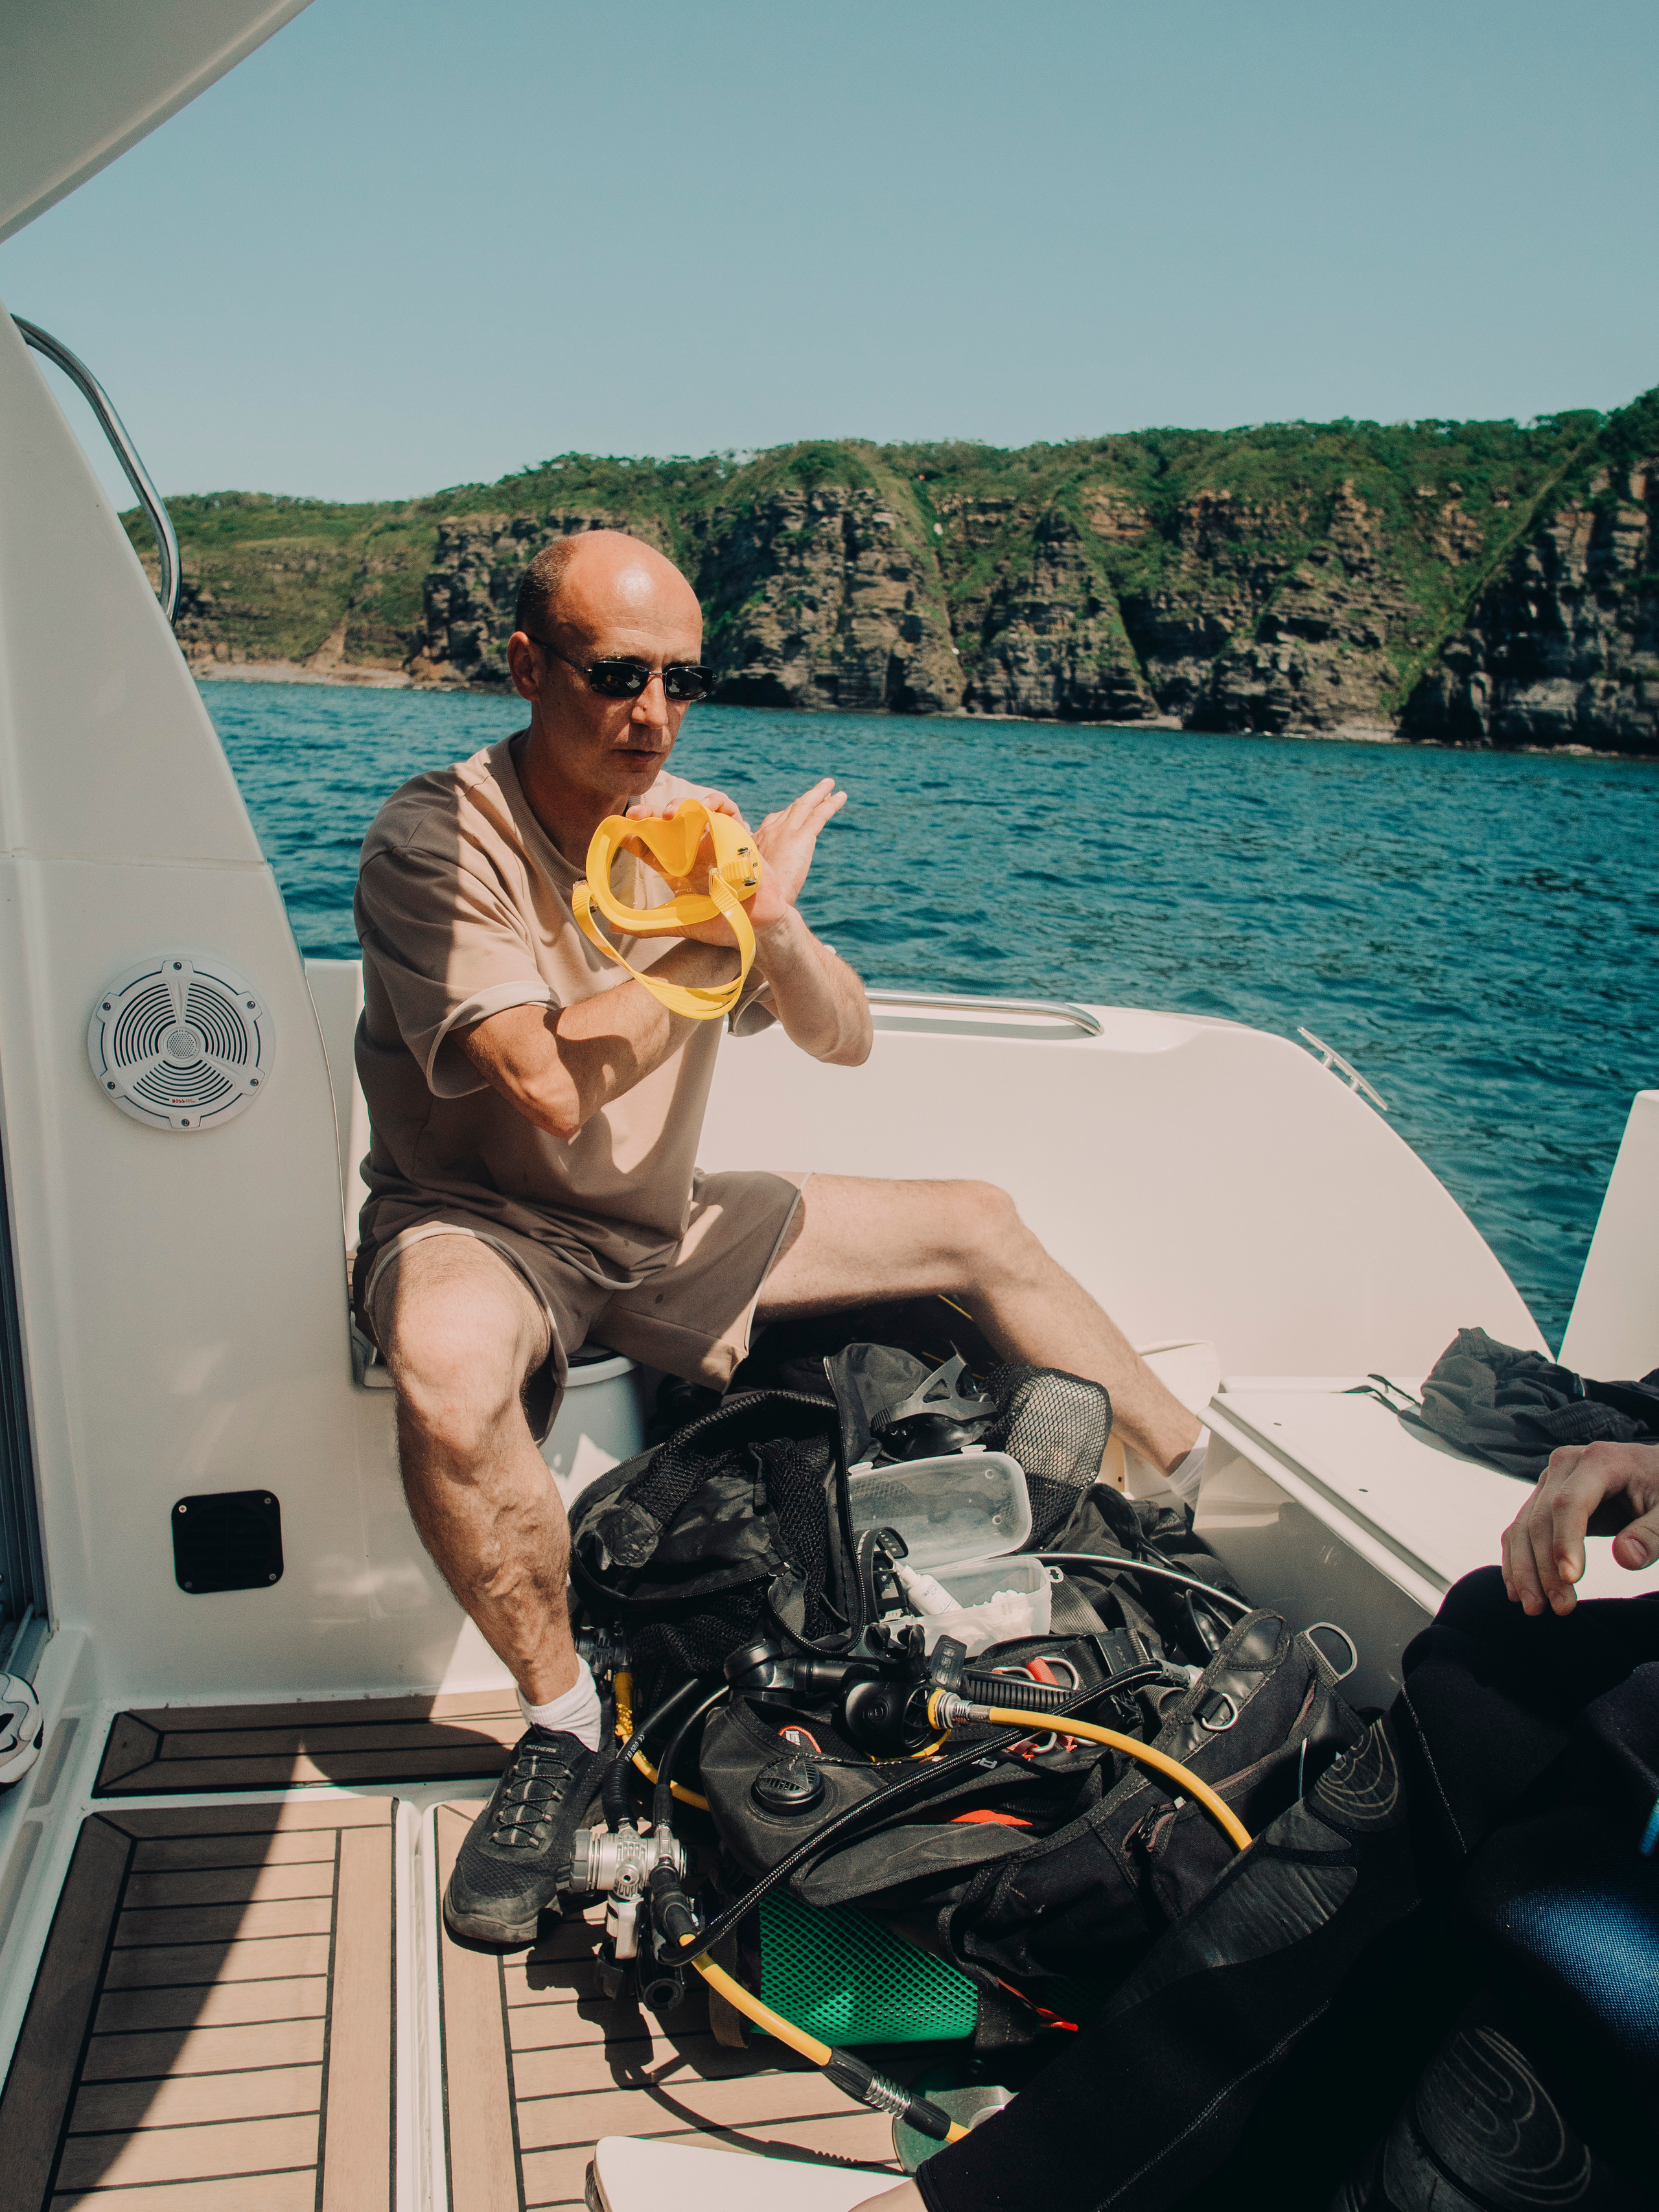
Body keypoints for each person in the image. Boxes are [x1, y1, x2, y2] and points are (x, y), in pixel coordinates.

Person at [353, 528, 1207, 1950]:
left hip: (665, 1226)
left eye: (683, 681)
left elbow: (844, 1037)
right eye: (617, 675)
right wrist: (707, 944)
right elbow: (550, 1089)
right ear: (525, 667)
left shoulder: (696, 828)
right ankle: (564, 1724)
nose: (654, 714)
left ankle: (1192, 1498)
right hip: (483, 1222)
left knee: (978, 1225)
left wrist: (776, 927)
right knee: (444, 1363)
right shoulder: (437, 839)